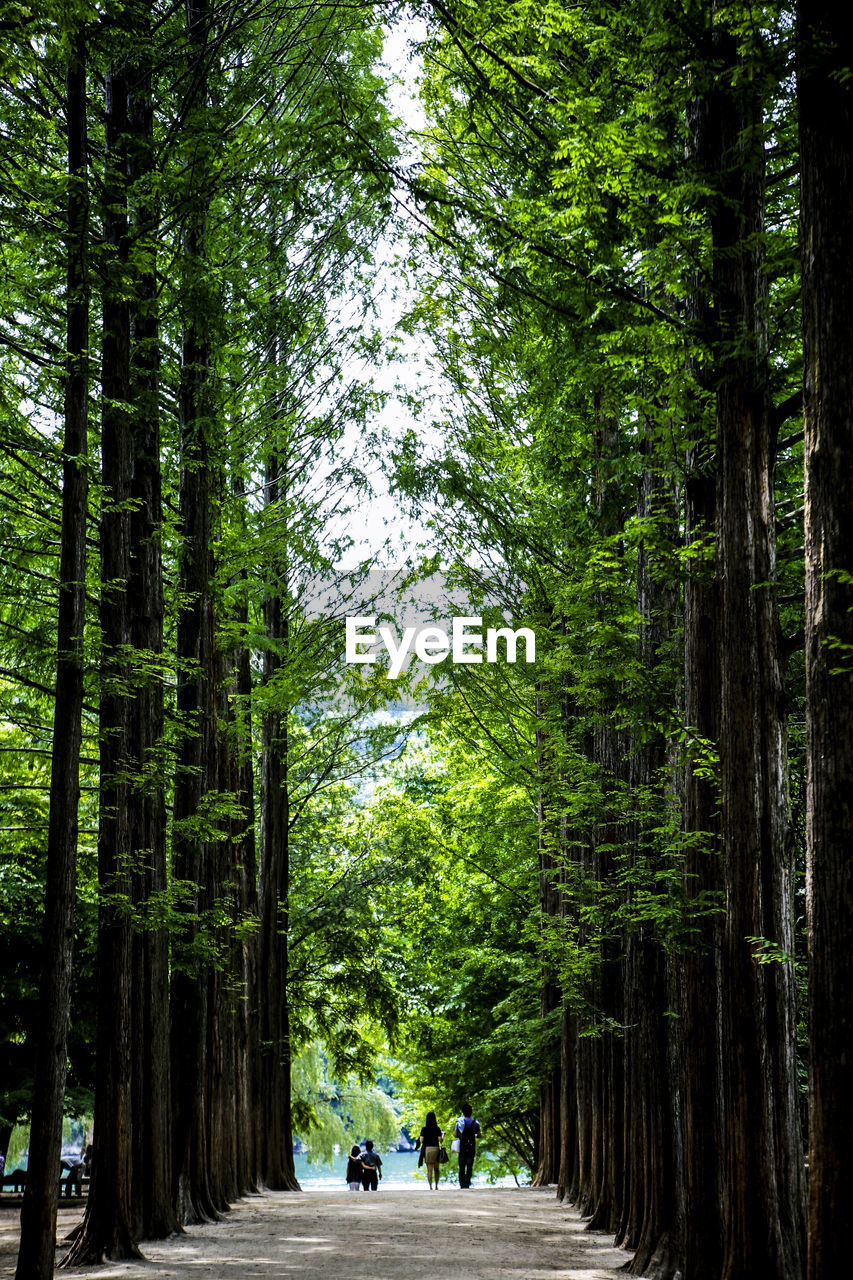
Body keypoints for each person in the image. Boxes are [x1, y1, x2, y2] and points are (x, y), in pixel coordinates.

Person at [415, 1111, 444, 1190]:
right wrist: (443, 1135)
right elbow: (440, 1140)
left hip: (427, 1149)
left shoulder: (424, 1129)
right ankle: (436, 1186)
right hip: (436, 1149)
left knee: (429, 1170)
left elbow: (421, 1140)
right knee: (436, 1169)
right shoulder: (437, 1129)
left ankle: (430, 1186)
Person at [454, 1103, 481, 1189]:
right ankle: (467, 1184)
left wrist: (460, 1135)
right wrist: (474, 1135)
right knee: (469, 1165)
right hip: (471, 1146)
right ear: (471, 1112)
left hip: (462, 1146)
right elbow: (479, 1135)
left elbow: (455, 1134)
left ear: (463, 1112)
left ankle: (462, 1184)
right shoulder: (476, 1122)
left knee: (461, 1165)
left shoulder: (459, 1122)